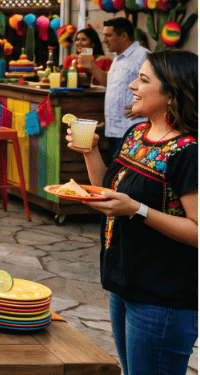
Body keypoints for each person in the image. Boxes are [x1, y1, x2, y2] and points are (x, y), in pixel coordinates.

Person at [67, 50, 197, 375]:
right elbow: (107, 194)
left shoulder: (188, 153)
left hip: (162, 297)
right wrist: (90, 152)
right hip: (124, 283)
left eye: (142, 79)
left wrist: (138, 210)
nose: (131, 85)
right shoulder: (135, 135)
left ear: (171, 93)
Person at [100, 17, 150, 154]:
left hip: (132, 129)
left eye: (108, 35)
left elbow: (160, 85)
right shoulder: (118, 56)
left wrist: (145, 106)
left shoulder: (142, 55)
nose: (104, 40)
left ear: (123, 36)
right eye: (103, 35)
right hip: (113, 129)